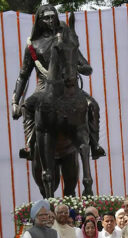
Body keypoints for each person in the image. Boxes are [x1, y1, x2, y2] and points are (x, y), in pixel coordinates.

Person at [11, 4, 105, 161]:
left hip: (69, 88)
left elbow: (86, 66)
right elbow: (23, 75)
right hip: (43, 89)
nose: (49, 20)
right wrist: (15, 101)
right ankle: (29, 146)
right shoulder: (32, 45)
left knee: (93, 105)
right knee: (27, 107)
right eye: (45, 17)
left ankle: (94, 146)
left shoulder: (66, 40)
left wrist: (77, 67)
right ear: (39, 20)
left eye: (52, 17)